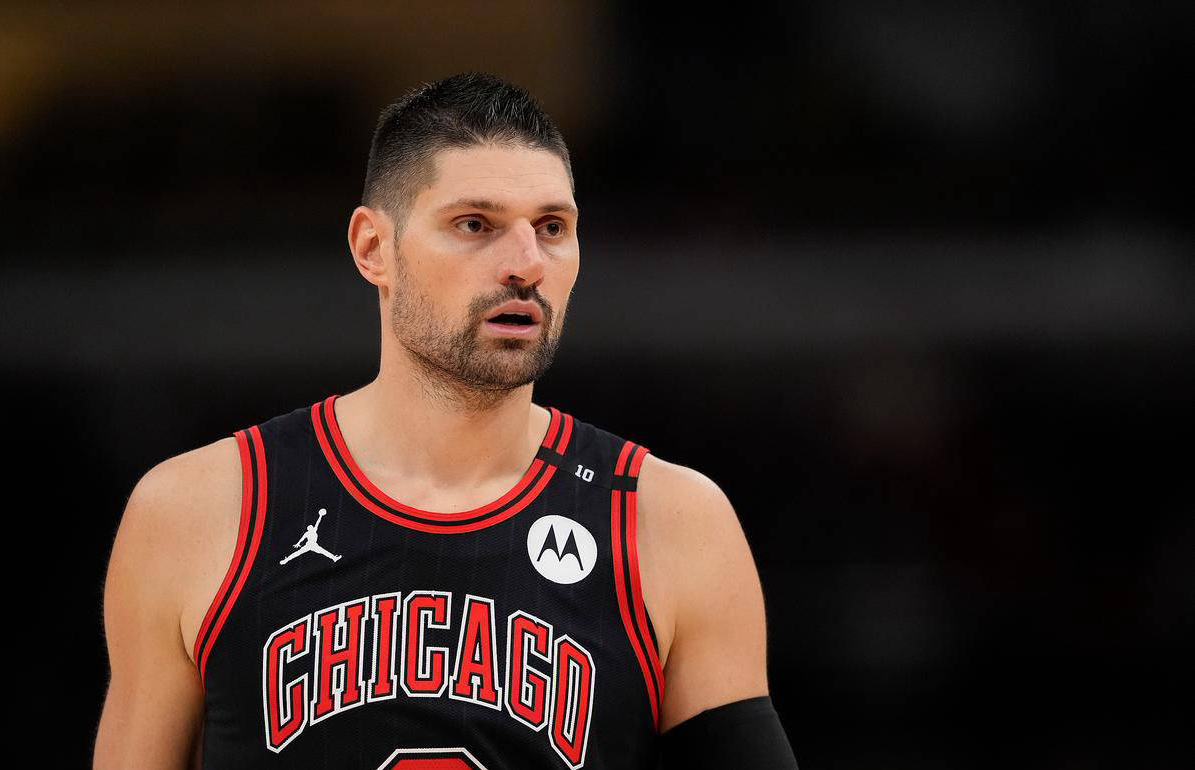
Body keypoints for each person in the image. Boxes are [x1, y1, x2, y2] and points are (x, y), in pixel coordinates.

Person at [94, 72, 798, 769]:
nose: (526, 264)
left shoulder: (669, 523)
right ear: (373, 249)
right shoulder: (197, 511)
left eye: (552, 228)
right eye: (475, 225)